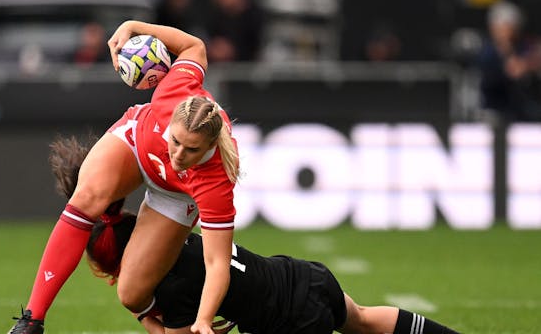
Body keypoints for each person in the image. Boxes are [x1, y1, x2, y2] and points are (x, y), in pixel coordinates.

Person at [44, 135, 460, 334]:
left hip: (289, 322)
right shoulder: (172, 236)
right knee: (364, 320)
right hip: (303, 276)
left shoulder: (169, 290)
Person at [8, 20, 240, 334]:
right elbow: (193, 46)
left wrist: (202, 318)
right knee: (86, 198)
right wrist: (133, 26)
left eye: (191, 149)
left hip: (173, 194)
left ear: (211, 145)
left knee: (131, 295)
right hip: (137, 143)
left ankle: (181, 310)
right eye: (175, 140)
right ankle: (31, 321)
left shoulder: (216, 180)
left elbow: (217, 262)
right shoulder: (174, 89)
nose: (178, 155)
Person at [476, 0, 541, 124]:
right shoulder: (486, 50)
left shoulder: (524, 46)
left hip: (523, 111)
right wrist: (505, 47)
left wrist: (528, 65)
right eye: (505, 24)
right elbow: (512, 70)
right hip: (495, 110)